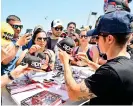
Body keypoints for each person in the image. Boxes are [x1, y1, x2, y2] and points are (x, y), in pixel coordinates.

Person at [59, 11, 133, 105]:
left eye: (98, 37)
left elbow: (73, 93)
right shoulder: (127, 65)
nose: (96, 41)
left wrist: (65, 62)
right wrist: (88, 62)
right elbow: (112, 75)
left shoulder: (110, 72)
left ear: (109, 39)